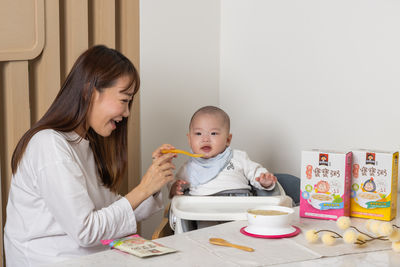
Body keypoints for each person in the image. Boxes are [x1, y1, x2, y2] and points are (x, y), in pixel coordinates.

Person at [4, 45, 176, 267]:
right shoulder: (49, 145)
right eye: (124, 100)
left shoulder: (83, 143)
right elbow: (86, 229)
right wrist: (142, 189)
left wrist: (154, 185)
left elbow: (110, 210)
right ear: (89, 92)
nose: (127, 113)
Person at [170, 106, 283, 198]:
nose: (205, 139)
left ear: (228, 140)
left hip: (238, 203)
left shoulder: (238, 157)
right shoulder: (189, 167)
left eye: (213, 133)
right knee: (205, 226)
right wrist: (175, 187)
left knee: (244, 223)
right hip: (203, 209)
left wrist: (263, 180)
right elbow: (175, 185)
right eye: (198, 133)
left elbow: (255, 171)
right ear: (189, 140)